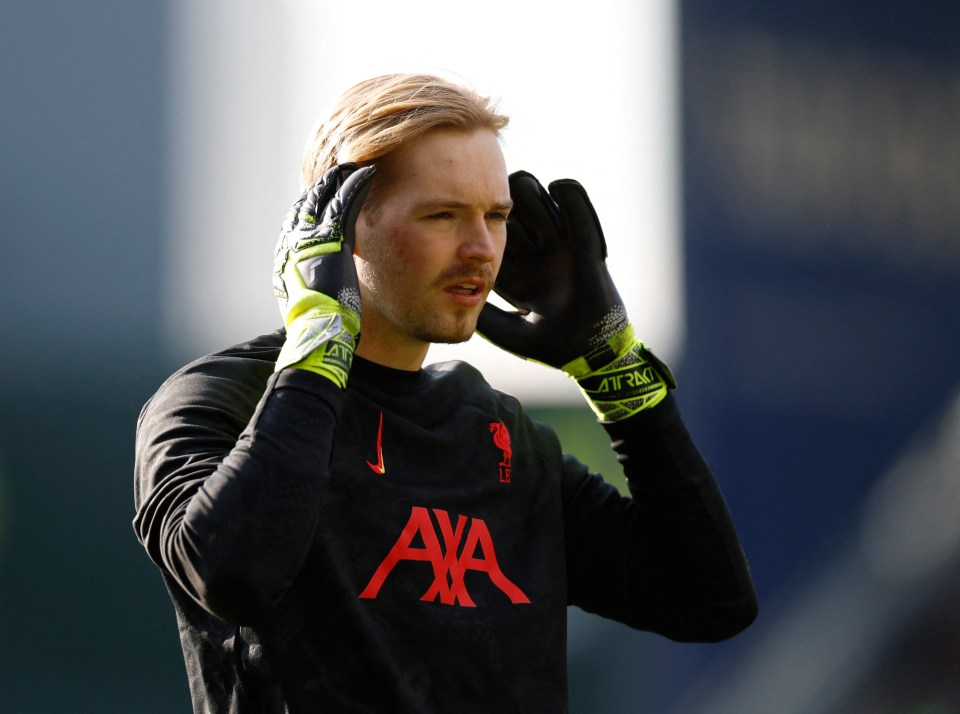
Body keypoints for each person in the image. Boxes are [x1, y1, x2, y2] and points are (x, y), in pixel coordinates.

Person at [133, 72, 758, 713]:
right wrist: (320, 341)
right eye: (443, 216)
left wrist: (615, 370)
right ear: (343, 229)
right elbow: (233, 574)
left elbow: (710, 600)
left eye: (496, 216)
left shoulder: (499, 435)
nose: (482, 250)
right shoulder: (217, 398)